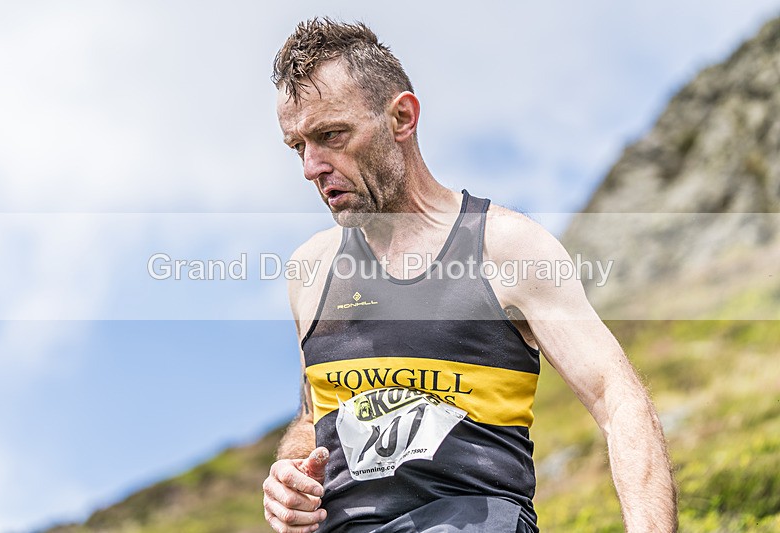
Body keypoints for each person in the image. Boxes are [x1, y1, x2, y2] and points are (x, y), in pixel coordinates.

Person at [262, 18, 677, 533]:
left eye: (331, 136)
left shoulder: (507, 246)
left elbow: (617, 397)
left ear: (402, 117)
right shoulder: (311, 270)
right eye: (298, 146)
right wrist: (289, 476)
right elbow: (313, 416)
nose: (312, 166)